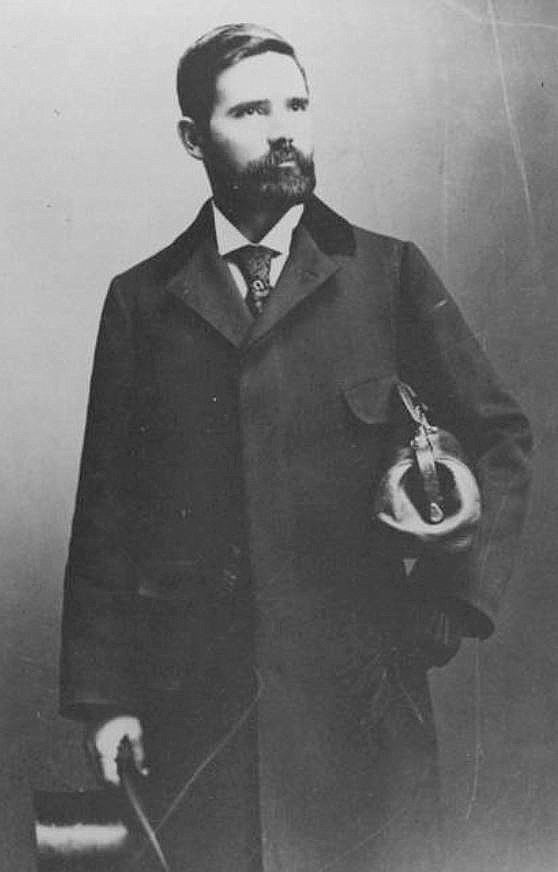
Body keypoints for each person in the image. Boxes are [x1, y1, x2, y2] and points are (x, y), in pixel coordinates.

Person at [59, 23, 532, 872]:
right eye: (250, 110)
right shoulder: (141, 301)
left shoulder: (389, 274)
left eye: (297, 104)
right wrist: (106, 699)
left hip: (364, 711)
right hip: (199, 712)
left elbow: (503, 436)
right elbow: (107, 513)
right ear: (193, 137)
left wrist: (452, 598)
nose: (284, 129)